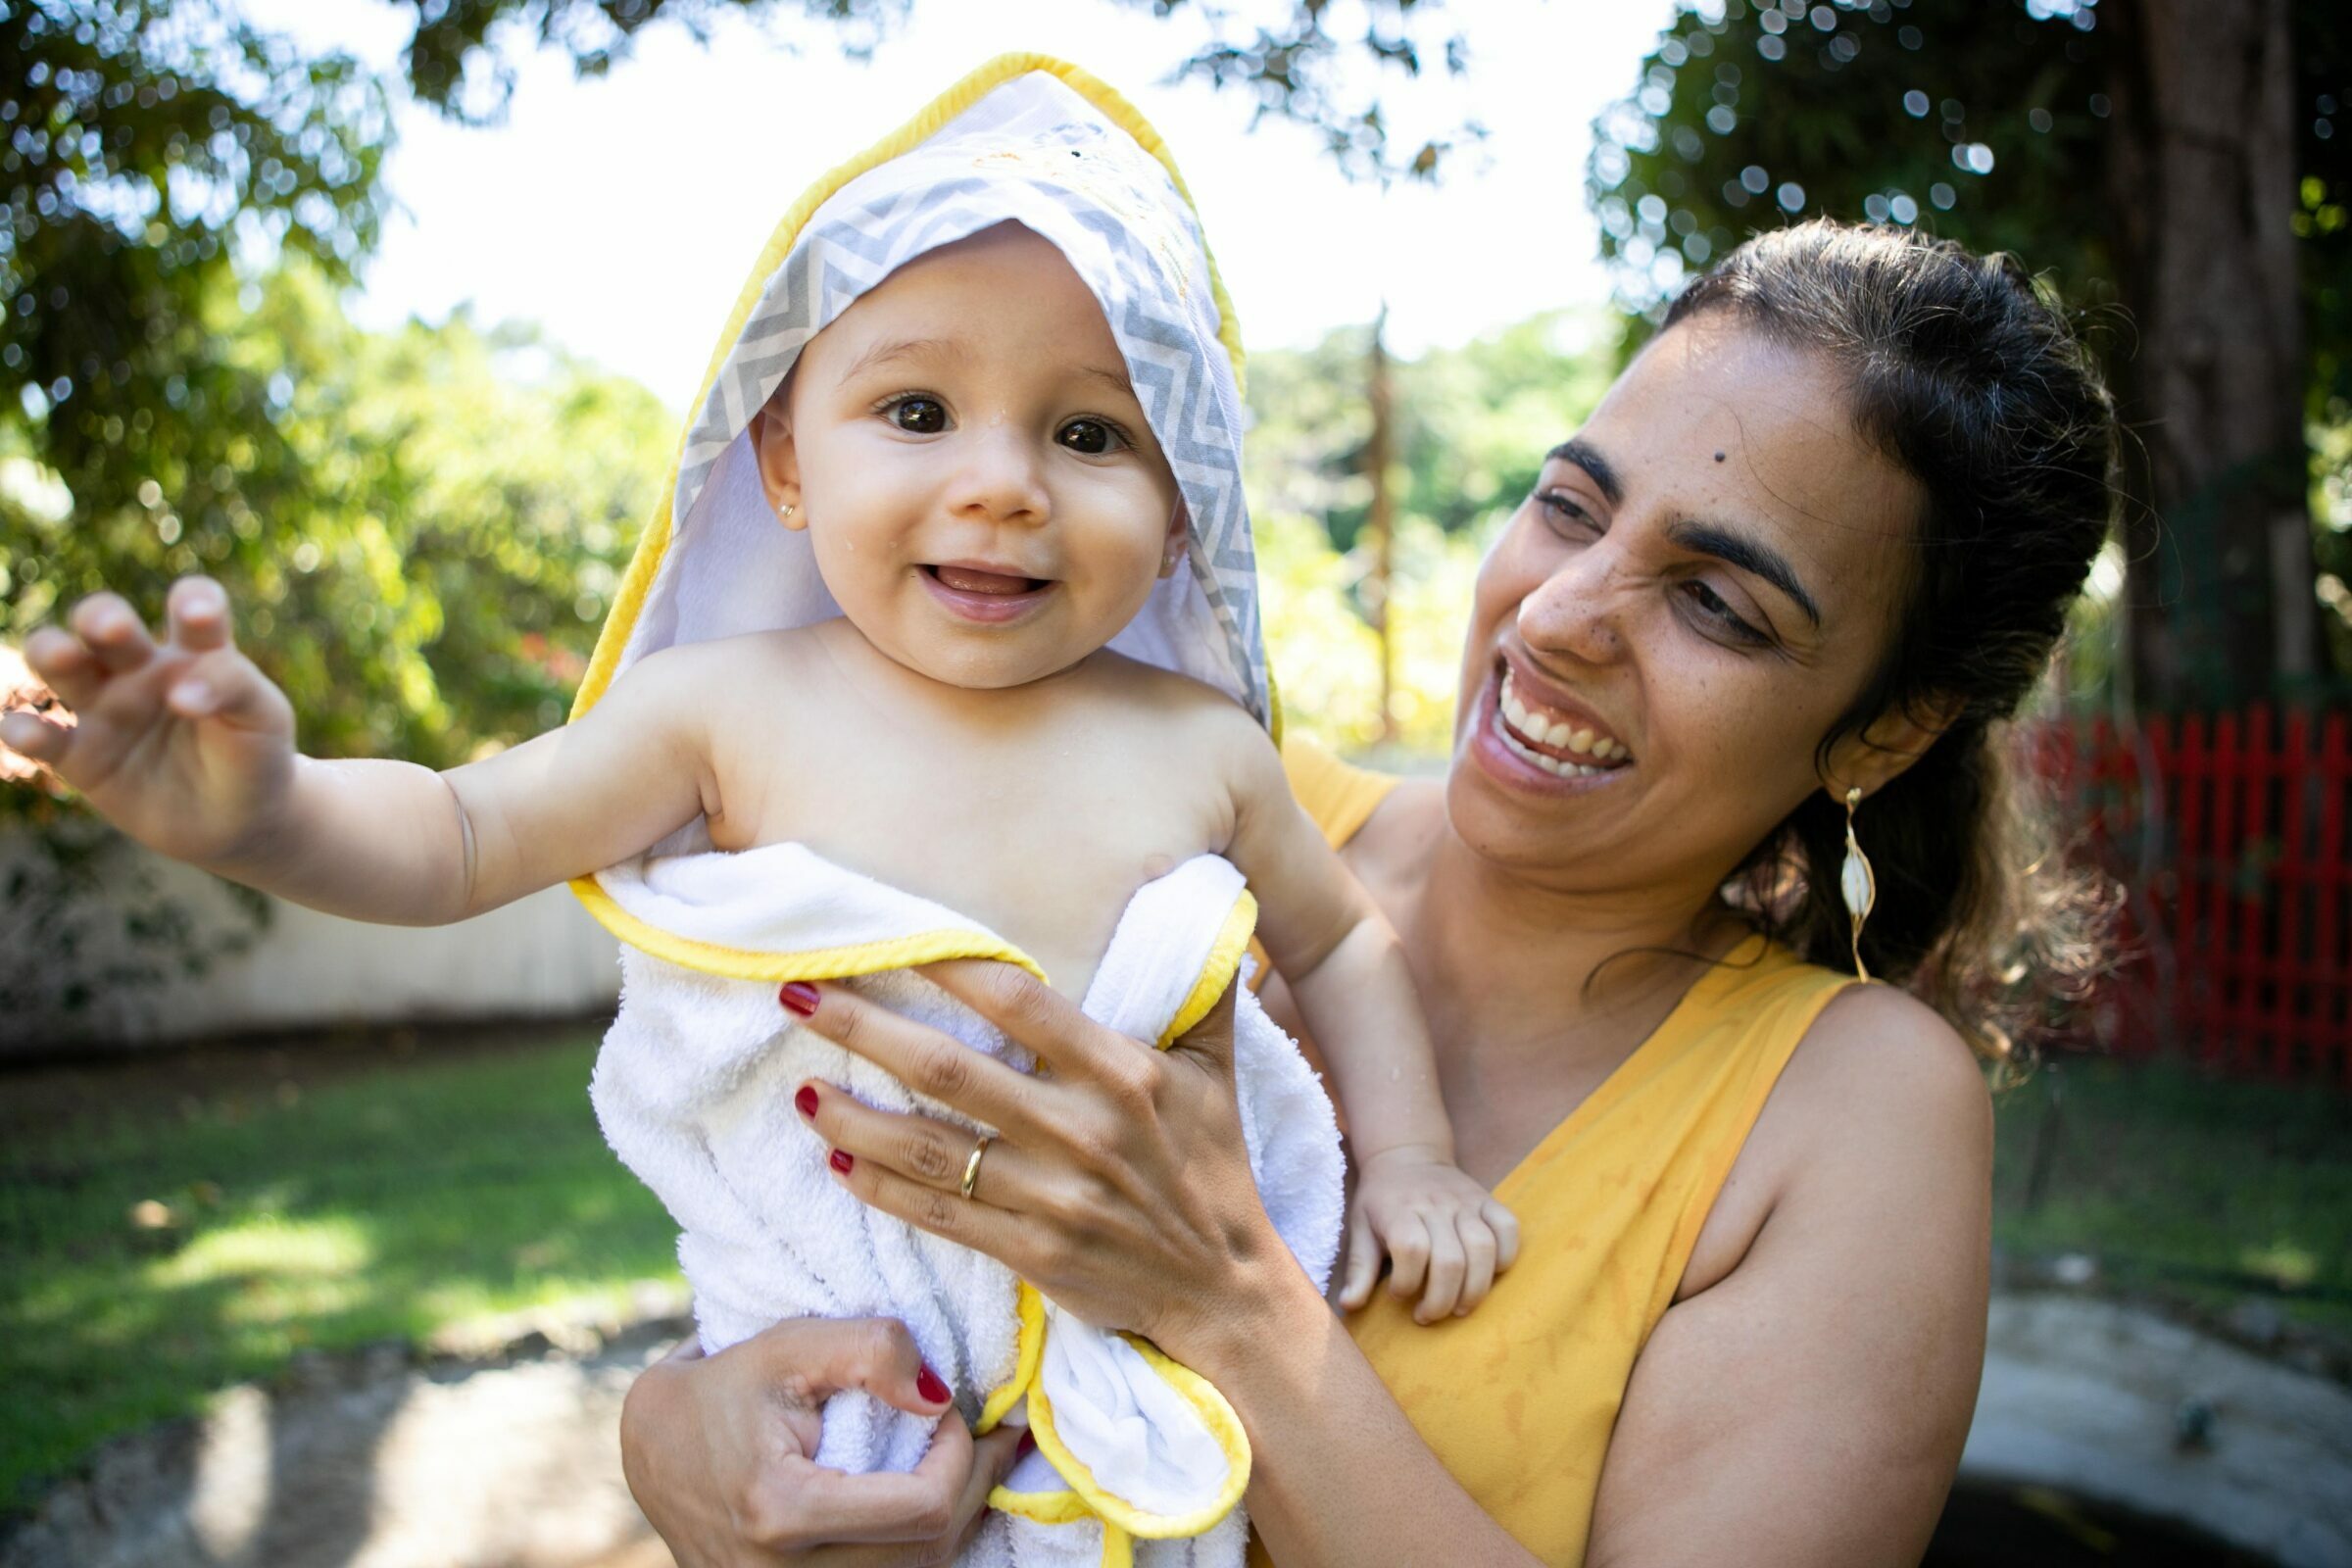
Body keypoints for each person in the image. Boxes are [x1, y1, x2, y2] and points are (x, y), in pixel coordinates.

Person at [0, 56, 1510, 1568]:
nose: (1003, 485)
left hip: (1145, 1413)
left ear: (1184, 507)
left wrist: (1412, 1159)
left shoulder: (1201, 748)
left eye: (1093, 434)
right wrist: (259, 814)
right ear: (784, 460)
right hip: (850, 1406)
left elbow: (1347, 952)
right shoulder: (724, 712)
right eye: (917, 409)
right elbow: (460, 837)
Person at [613, 218, 2119, 1567]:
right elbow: (796, 1217)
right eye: (1573, 509)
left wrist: (1234, 1309)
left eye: (1716, 603)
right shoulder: (1222, 809)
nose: (1562, 616)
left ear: (1886, 726)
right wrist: (675, 1435)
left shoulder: (1850, 1112)